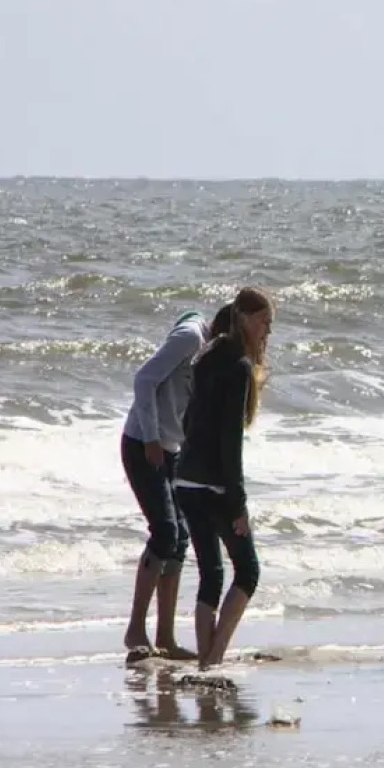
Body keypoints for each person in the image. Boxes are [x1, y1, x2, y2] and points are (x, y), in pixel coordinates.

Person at [119, 302, 232, 662]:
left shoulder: (213, 356)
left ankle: (165, 636)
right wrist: (151, 437)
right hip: (142, 443)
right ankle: (135, 630)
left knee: (181, 538)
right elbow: (144, 378)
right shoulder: (190, 337)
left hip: (171, 449)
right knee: (165, 532)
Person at [174, 286, 274, 670]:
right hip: (215, 485)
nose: (267, 332)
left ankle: (206, 664)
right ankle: (213, 659)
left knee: (211, 574)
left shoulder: (208, 355)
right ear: (246, 319)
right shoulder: (238, 367)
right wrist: (239, 505)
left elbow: (189, 420)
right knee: (248, 571)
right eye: (265, 322)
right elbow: (230, 443)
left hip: (186, 479)